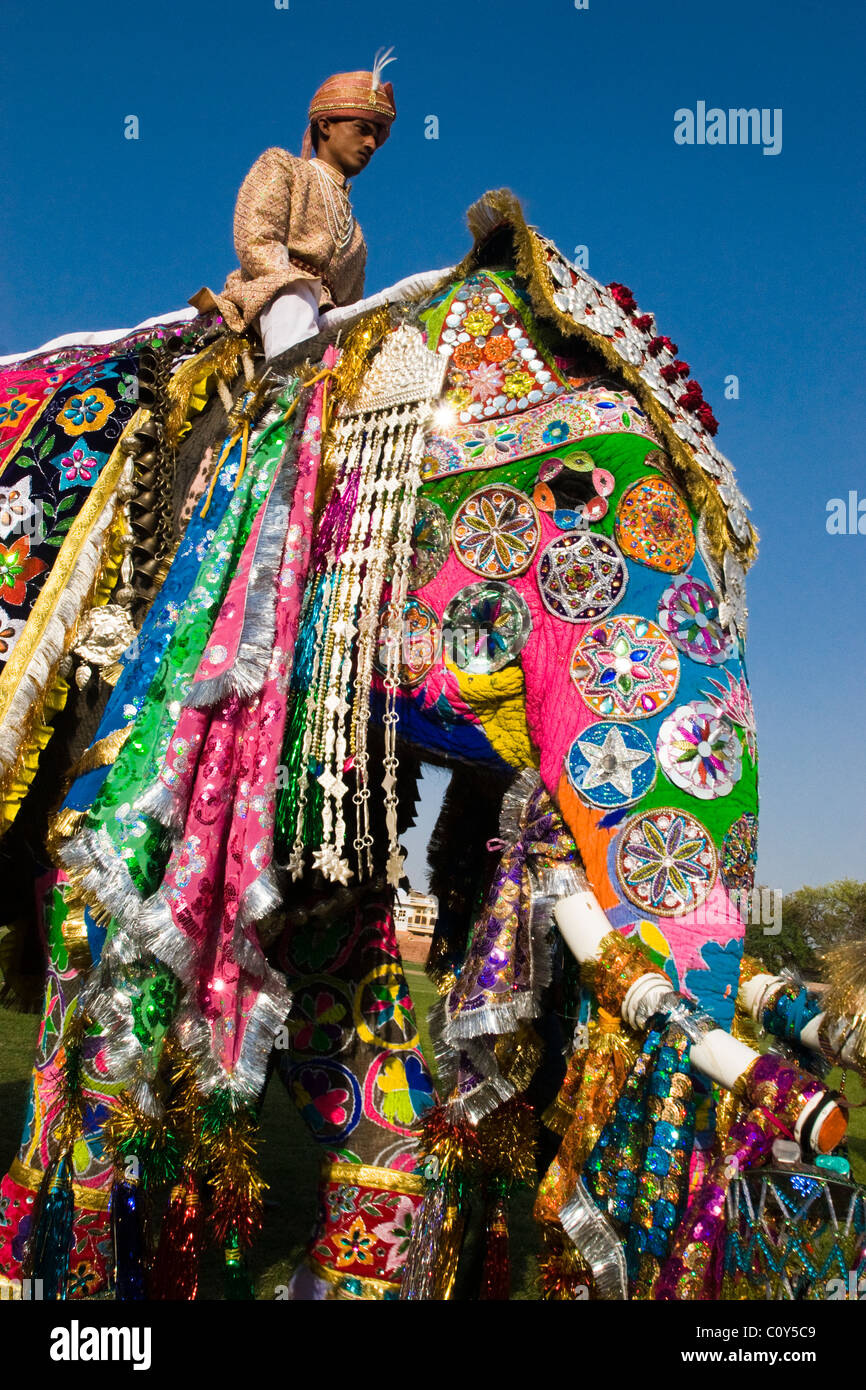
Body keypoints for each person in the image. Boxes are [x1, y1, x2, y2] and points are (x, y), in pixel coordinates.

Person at [190, 52, 396, 360]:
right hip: (273, 295)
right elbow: (256, 240)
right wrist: (308, 289)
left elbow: (352, 302)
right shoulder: (282, 167)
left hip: (326, 319)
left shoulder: (358, 236)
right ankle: (287, 394)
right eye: (362, 129)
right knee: (295, 295)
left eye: (377, 137)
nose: (370, 144)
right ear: (325, 125)